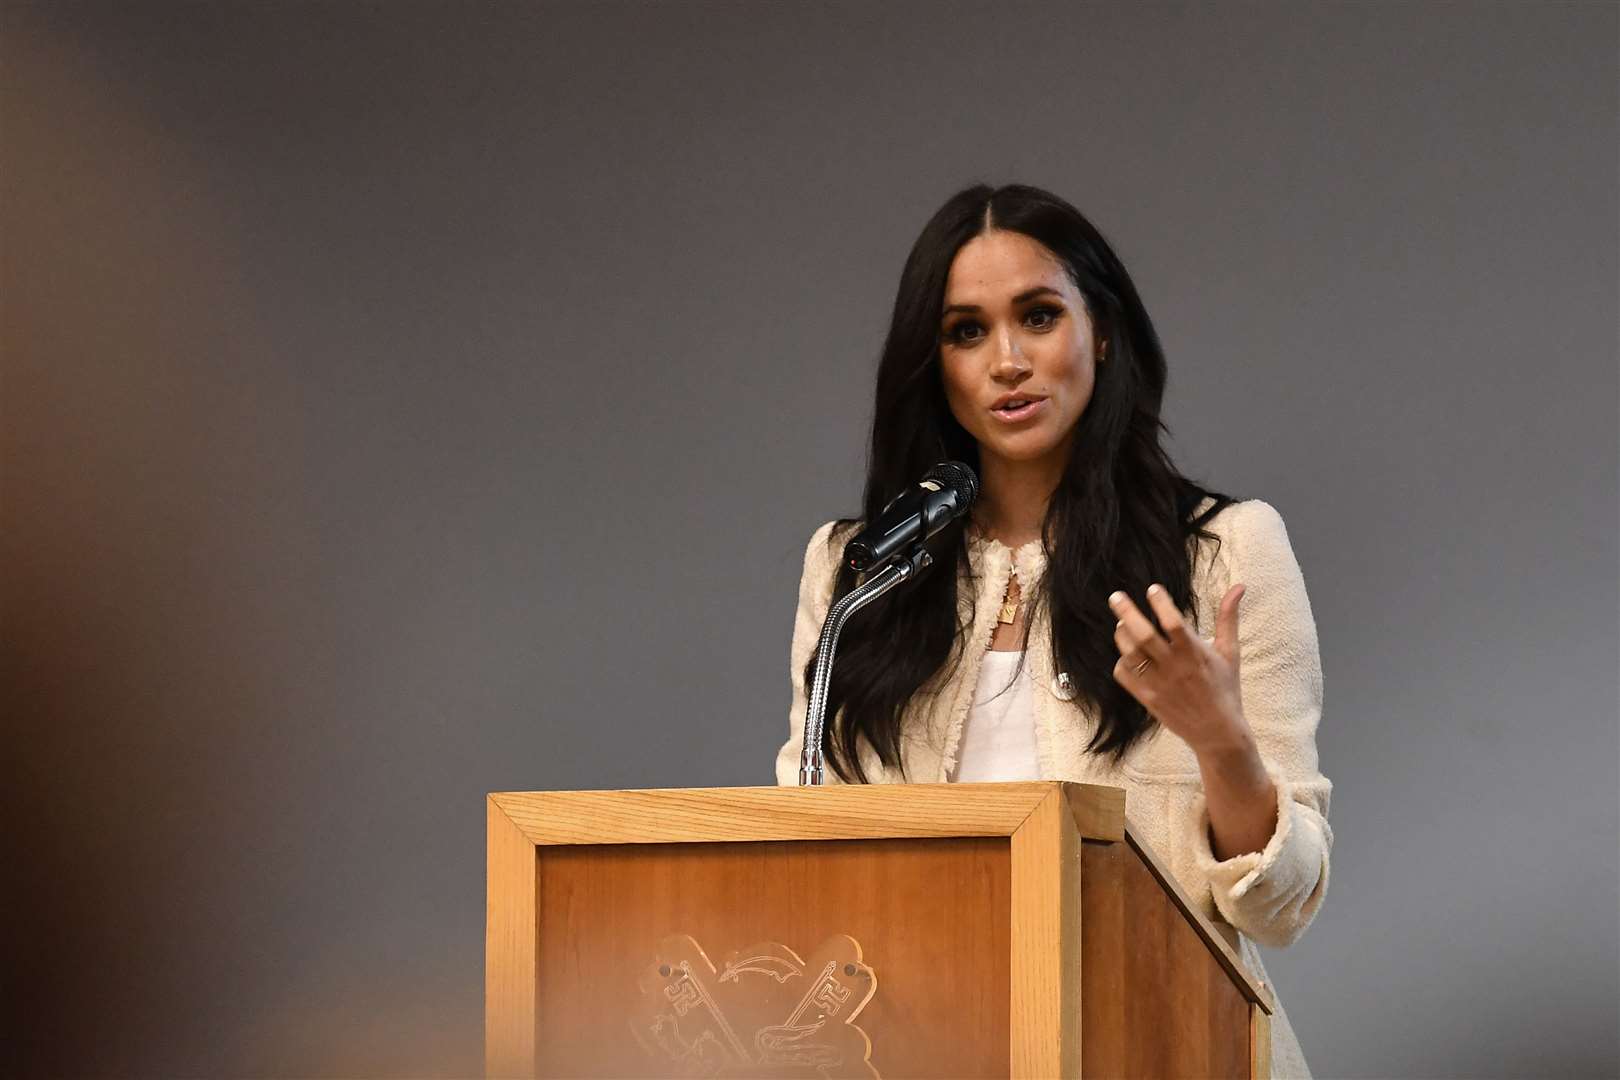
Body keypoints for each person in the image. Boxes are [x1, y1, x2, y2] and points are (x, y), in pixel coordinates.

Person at [775, 183, 1331, 1077]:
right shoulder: (857, 570)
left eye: (1038, 316)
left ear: (1100, 332)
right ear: (933, 362)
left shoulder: (1226, 551)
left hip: (1165, 1041)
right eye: (966, 331)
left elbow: (1283, 907)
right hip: (929, 1049)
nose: (1006, 361)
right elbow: (804, 854)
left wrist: (1222, 741)